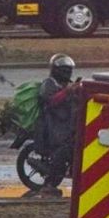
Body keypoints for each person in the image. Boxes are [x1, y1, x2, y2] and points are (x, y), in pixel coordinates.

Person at [36, 53, 79, 196]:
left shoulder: (66, 83)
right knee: (64, 150)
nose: (68, 72)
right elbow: (50, 101)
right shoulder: (49, 84)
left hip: (67, 124)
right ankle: (49, 184)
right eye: (65, 69)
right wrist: (68, 91)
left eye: (69, 69)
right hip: (53, 126)